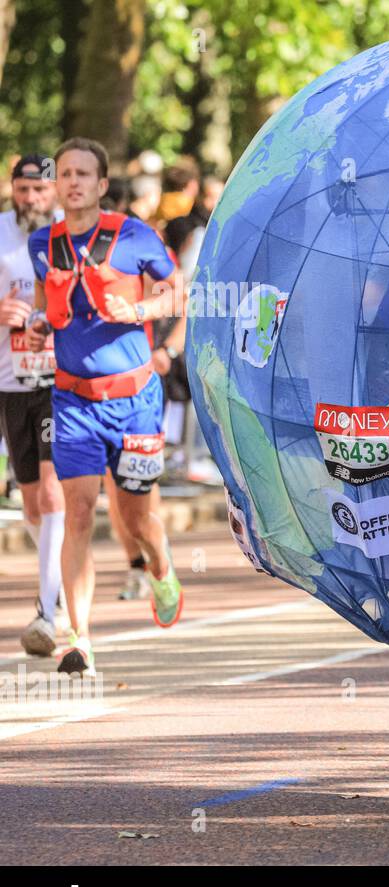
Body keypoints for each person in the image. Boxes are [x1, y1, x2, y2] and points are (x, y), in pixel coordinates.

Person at [25, 137, 186, 675]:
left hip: (136, 400)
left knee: (137, 518)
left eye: (82, 174)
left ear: (100, 183)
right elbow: (48, 304)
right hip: (72, 400)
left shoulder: (133, 234)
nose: (72, 181)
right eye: (64, 173)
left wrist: (138, 307)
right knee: (76, 514)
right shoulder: (42, 243)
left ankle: (161, 567)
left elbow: (177, 294)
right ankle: (80, 641)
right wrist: (37, 321)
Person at [0, 154, 67, 654]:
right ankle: (57, 586)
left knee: (50, 491)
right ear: (12, 189)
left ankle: (49, 609)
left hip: (58, 379)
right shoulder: (1, 230)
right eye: (24, 190)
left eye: (41, 191)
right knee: (29, 500)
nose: (32, 200)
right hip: (9, 380)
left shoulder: (70, 237)